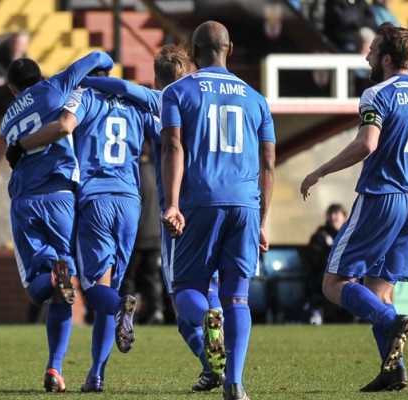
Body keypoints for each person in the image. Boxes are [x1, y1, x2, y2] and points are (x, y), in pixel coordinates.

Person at [300, 23, 408, 392]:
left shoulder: (376, 94)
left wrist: (320, 170)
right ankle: (394, 371)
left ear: (387, 58)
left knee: (334, 283)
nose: (366, 56)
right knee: (379, 289)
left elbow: (367, 144)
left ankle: (390, 322)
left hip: (382, 197)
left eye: (373, 50)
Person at [81, 43, 227, 393]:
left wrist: (79, 79)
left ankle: (208, 326)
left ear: (157, 79)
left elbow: (124, 89)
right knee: (213, 285)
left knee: (178, 297)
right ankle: (218, 367)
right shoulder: (208, 104)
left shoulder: (163, 100)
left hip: (176, 208)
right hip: (221, 200)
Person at [8, 61, 162, 391]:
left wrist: (21, 144)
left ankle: (118, 307)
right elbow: (166, 136)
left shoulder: (84, 96)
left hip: (94, 201)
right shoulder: (137, 103)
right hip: (130, 203)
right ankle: (95, 375)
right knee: (106, 288)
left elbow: (64, 125)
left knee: (96, 292)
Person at [160, 21, 276, 400]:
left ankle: (209, 320)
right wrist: (262, 220)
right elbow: (269, 164)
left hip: (200, 202)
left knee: (186, 291)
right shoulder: (257, 99)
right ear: (230, 48)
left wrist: (174, 203)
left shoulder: (177, 91)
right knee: (238, 297)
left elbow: (173, 148)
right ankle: (235, 383)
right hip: (245, 204)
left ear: (192, 53)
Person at [2, 50, 114, 393]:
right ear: (40, 75)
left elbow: (14, 154)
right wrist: (101, 76)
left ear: (12, 88)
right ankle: (56, 365)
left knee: (40, 288)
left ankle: (56, 367)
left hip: (24, 200)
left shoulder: (7, 118)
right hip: (62, 196)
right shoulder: (56, 87)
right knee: (66, 290)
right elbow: (99, 55)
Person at [119, 141, 165, 326]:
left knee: (128, 277)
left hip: (137, 236)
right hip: (156, 235)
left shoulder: (135, 175)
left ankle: (129, 313)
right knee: (152, 278)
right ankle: (157, 311)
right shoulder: (157, 173)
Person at [305, 203, 353, 324]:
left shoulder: (351, 237)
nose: (333, 217)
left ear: (345, 217)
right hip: (324, 277)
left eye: (337, 213)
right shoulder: (319, 237)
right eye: (331, 214)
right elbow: (315, 261)